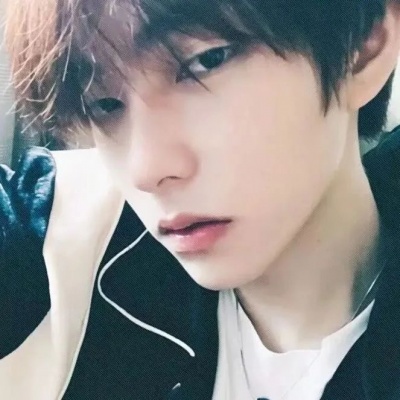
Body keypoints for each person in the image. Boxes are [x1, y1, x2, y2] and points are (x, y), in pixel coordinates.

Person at [1, 0, 400, 399]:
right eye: (104, 105)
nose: (146, 170)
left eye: (205, 62)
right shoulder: (62, 226)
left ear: (364, 47)